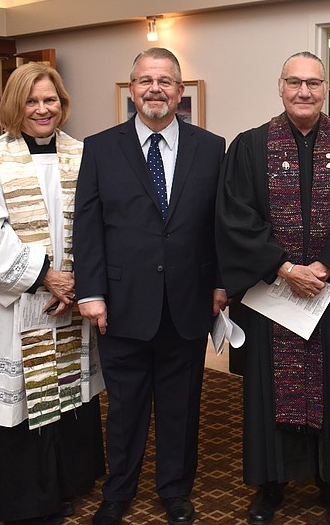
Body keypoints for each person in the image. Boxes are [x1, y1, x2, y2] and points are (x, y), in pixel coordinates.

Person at [215, 51, 330, 525]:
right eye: (295, 82)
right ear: (280, 87)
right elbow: (236, 216)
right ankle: (270, 487)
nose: (304, 92)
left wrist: (326, 267)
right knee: (267, 391)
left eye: (313, 83)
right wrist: (285, 266)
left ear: (324, 87)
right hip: (272, 296)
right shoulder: (249, 147)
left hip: (328, 298)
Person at [74, 48, 227, 525]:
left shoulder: (210, 146)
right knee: (125, 408)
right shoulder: (100, 147)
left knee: (182, 407)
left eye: (165, 81)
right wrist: (91, 292)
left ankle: (175, 490)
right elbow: (88, 226)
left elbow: (219, 225)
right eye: (145, 81)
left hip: (187, 301)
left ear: (180, 91)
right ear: (132, 90)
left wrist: (221, 285)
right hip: (121, 305)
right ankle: (118, 492)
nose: (155, 89)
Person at [0, 62, 105, 525]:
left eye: (51, 100)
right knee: (22, 399)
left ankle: (65, 484)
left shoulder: (81, 154)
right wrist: (46, 274)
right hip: (17, 303)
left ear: (63, 104)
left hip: (70, 300)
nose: (43, 109)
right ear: (14, 106)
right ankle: (25, 500)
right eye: (32, 101)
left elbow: (97, 224)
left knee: (65, 394)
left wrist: (79, 278)